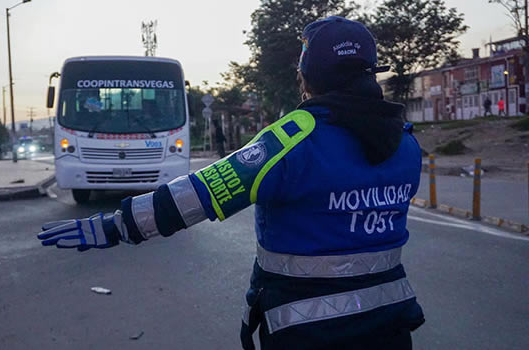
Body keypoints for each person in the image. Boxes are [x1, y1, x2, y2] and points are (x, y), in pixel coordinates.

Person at [37, 16, 424, 350]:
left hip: (308, 332)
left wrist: (118, 224)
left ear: (311, 76)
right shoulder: (407, 143)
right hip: (390, 323)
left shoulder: (295, 139)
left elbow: (205, 191)